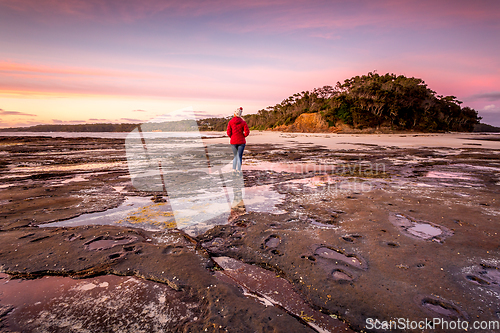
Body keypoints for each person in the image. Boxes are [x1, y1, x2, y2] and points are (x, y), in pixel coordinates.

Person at [227, 107, 250, 173]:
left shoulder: (230, 122)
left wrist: (232, 137)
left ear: (235, 114)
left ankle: (234, 169)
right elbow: (247, 132)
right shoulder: (243, 122)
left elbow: (228, 132)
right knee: (239, 156)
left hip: (233, 141)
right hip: (241, 141)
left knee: (235, 156)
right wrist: (243, 136)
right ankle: (239, 170)